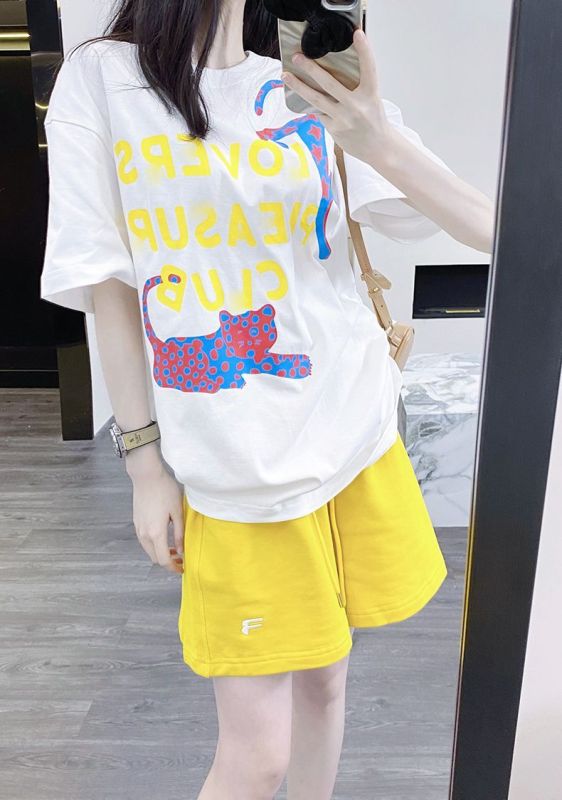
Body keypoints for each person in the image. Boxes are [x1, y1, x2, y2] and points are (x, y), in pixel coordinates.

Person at [39, 1, 494, 798]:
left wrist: (374, 137)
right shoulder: (103, 79)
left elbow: (496, 231)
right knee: (256, 756)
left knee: (327, 682)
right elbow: (108, 287)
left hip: (351, 435)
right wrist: (144, 466)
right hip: (232, 468)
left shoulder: (301, 68)